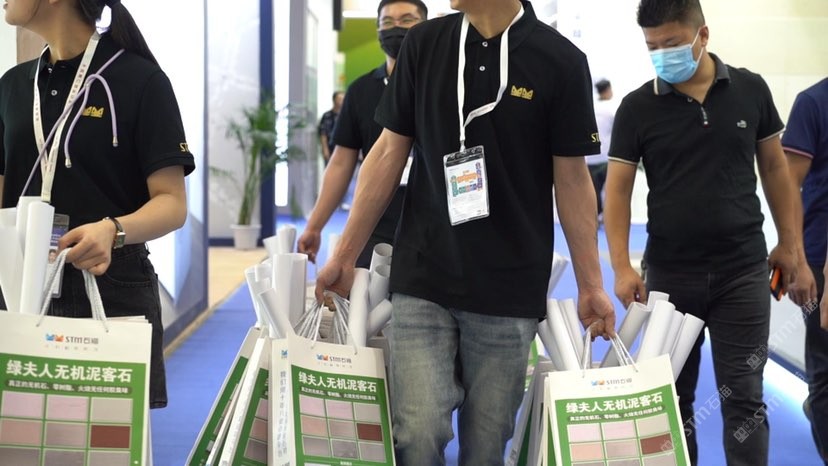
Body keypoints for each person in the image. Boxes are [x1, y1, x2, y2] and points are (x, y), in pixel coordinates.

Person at [316, 0, 616, 463]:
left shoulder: (560, 60)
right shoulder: (425, 44)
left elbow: (573, 179)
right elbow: (388, 151)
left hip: (509, 287)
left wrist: (591, 284)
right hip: (423, 272)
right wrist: (343, 254)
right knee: (416, 434)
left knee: (485, 447)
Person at [604, 1, 798, 464]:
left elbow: (775, 168)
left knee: (745, 397)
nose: (661, 55)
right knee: (671, 399)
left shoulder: (750, 89)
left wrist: (790, 242)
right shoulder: (636, 108)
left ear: (702, 35)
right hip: (670, 277)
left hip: (743, 272)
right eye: (652, 47)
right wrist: (621, 266)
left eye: (671, 44)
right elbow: (617, 191)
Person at [0, 0, 195, 411]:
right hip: (18, 286)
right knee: (21, 435)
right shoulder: (13, 86)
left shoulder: (141, 80)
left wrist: (113, 229)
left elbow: (171, 202)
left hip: (110, 285)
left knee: (107, 436)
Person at [298, 0, 427, 268]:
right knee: (366, 292)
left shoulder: (446, 84)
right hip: (374, 221)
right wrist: (314, 225)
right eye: (387, 22)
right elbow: (341, 162)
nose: (396, 28)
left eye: (407, 20)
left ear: (425, 27)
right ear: (377, 30)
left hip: (435, 223)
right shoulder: (361, 90)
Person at [782, 77, 828, 465]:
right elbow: (787, 185)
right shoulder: (814, 102)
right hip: (818, 254)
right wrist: (796, 259)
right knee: (825, 364)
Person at [586, 78, 615, 224]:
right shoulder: (612, 109)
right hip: (607, 158)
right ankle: (607, 218)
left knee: (593, 190)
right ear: (608, 90)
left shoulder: (591, 107)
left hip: (590, 157)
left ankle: (595, 217)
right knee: (610, 190)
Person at [317, 90, 344, 165]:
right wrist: (325, 149)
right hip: (330, 148)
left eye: (343, 99)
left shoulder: (346, 117)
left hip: (343, 150)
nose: (342, 101)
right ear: (334, 100)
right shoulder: (327, 116)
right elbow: (323, 134)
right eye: (339, 99)